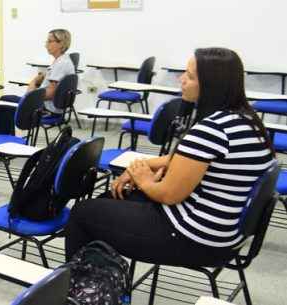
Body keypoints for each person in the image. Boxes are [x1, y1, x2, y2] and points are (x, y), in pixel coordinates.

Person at [64, 48, 275, 267]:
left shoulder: (211, 130)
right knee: (112, 197)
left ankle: (81, 289)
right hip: (223, 234)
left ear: (212, 87)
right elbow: (185, 161)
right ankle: (102, 275)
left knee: (81, 214)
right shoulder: (245, 120)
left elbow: (168, 195)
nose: (181, 79)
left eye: (190, 76)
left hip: (195, 239)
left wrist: (144, 179)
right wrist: (143, 166)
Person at [5, 29, 74, 115]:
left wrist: (32, 86)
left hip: (44, 107)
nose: (46, 45)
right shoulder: (63, 60)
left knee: (6, 100)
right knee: (9, 99)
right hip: (49, 105)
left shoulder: (61, 64)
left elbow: (50, 94)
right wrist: (42, 78)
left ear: (61, 44)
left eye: (49, 41)